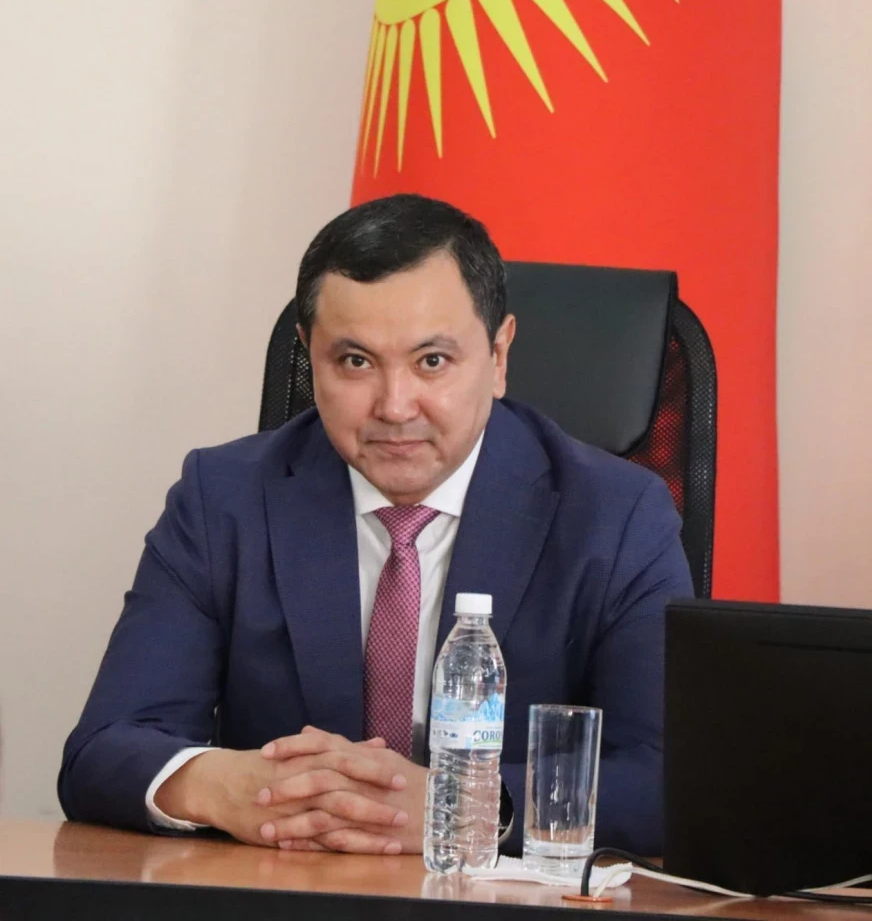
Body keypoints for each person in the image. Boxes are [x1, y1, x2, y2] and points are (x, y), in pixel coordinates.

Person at [59, 193, 693, 856]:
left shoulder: (618, 517)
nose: (394, 407)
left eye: (432, 361)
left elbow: (667, 780)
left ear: (499, 355)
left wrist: (465, 803)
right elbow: (104, 749)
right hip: (287, 889)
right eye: (355, 362)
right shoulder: (223, 501)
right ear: (309, 357)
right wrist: (223, 786)